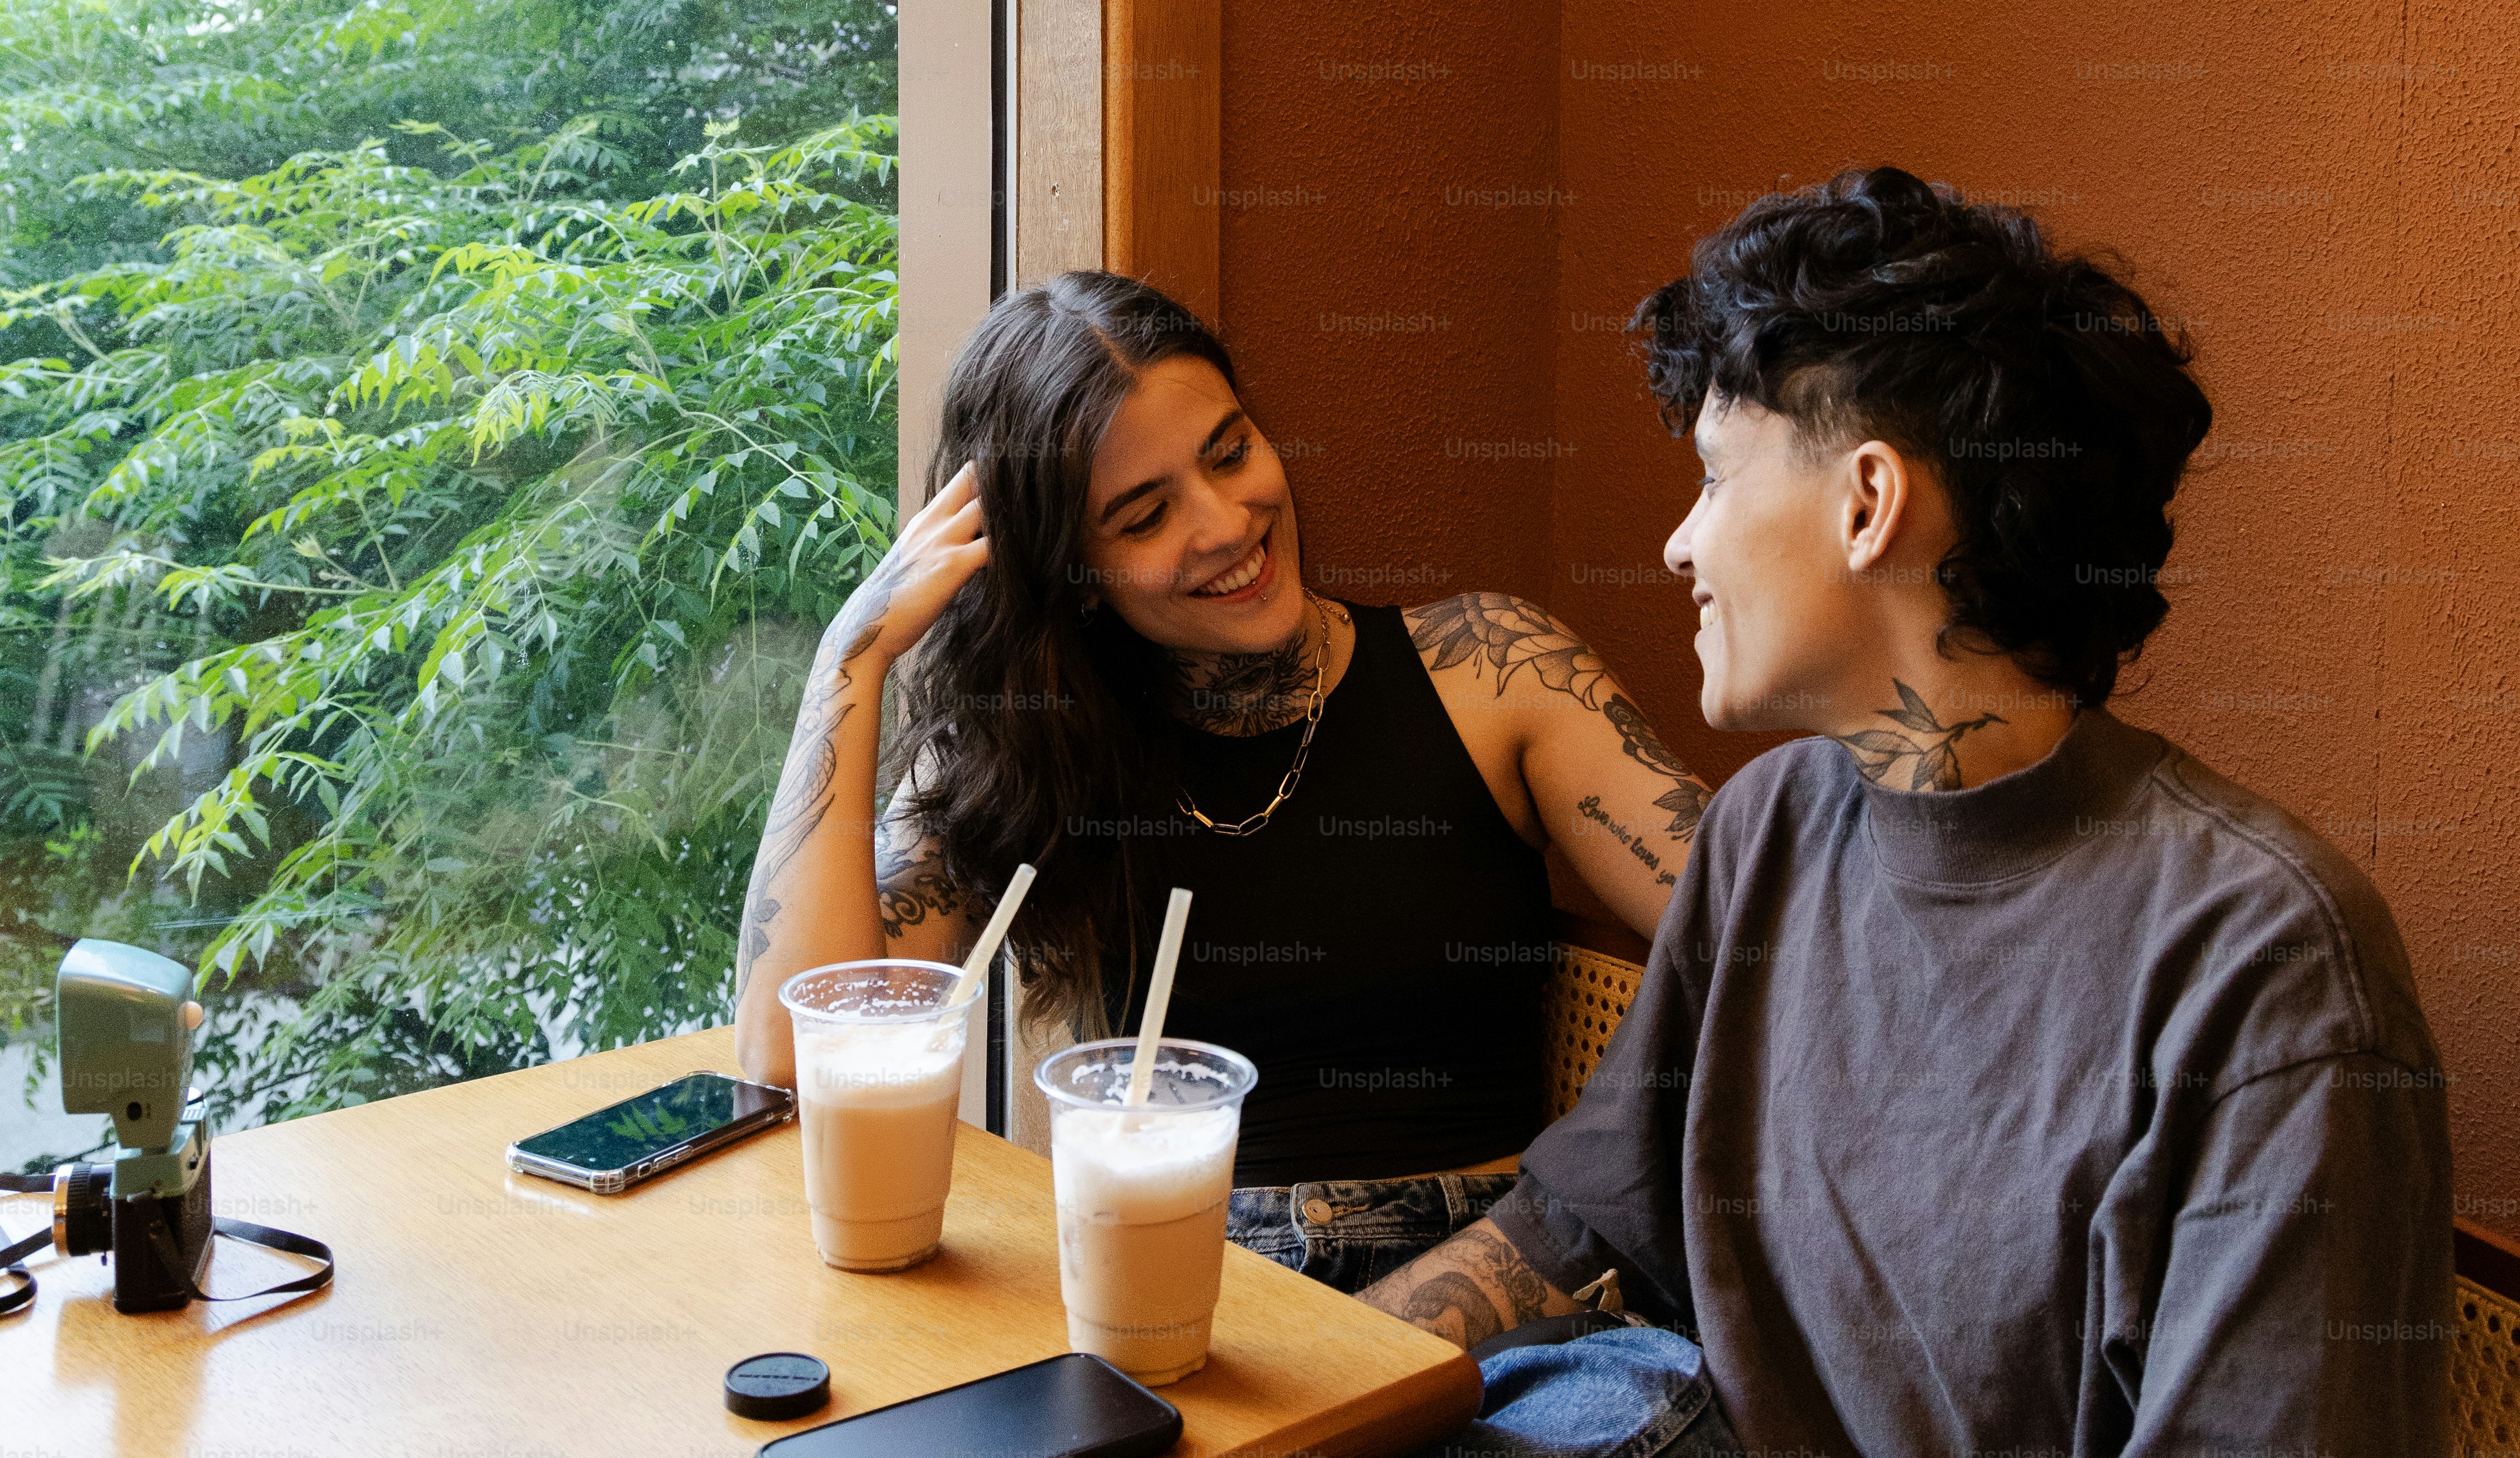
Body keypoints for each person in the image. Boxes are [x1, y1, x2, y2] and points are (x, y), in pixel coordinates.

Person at [1359, 168, 2452, 1457]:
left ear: (1868, 505)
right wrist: (1294, 1400)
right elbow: (1576, 1228)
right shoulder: (1771, 826)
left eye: (1714, 477)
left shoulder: (2270, 966)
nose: (1679, 545)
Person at [730, 269, 1714, 1289]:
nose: (1226, 524)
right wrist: (847, 661)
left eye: (1231, 452)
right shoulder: (1023, 756)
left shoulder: (1496, 671)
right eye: (1146, 516)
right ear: (1073, 574)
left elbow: (1779, 937)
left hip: (1495, 1293)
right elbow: (792, 1062)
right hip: (1184, 1282)